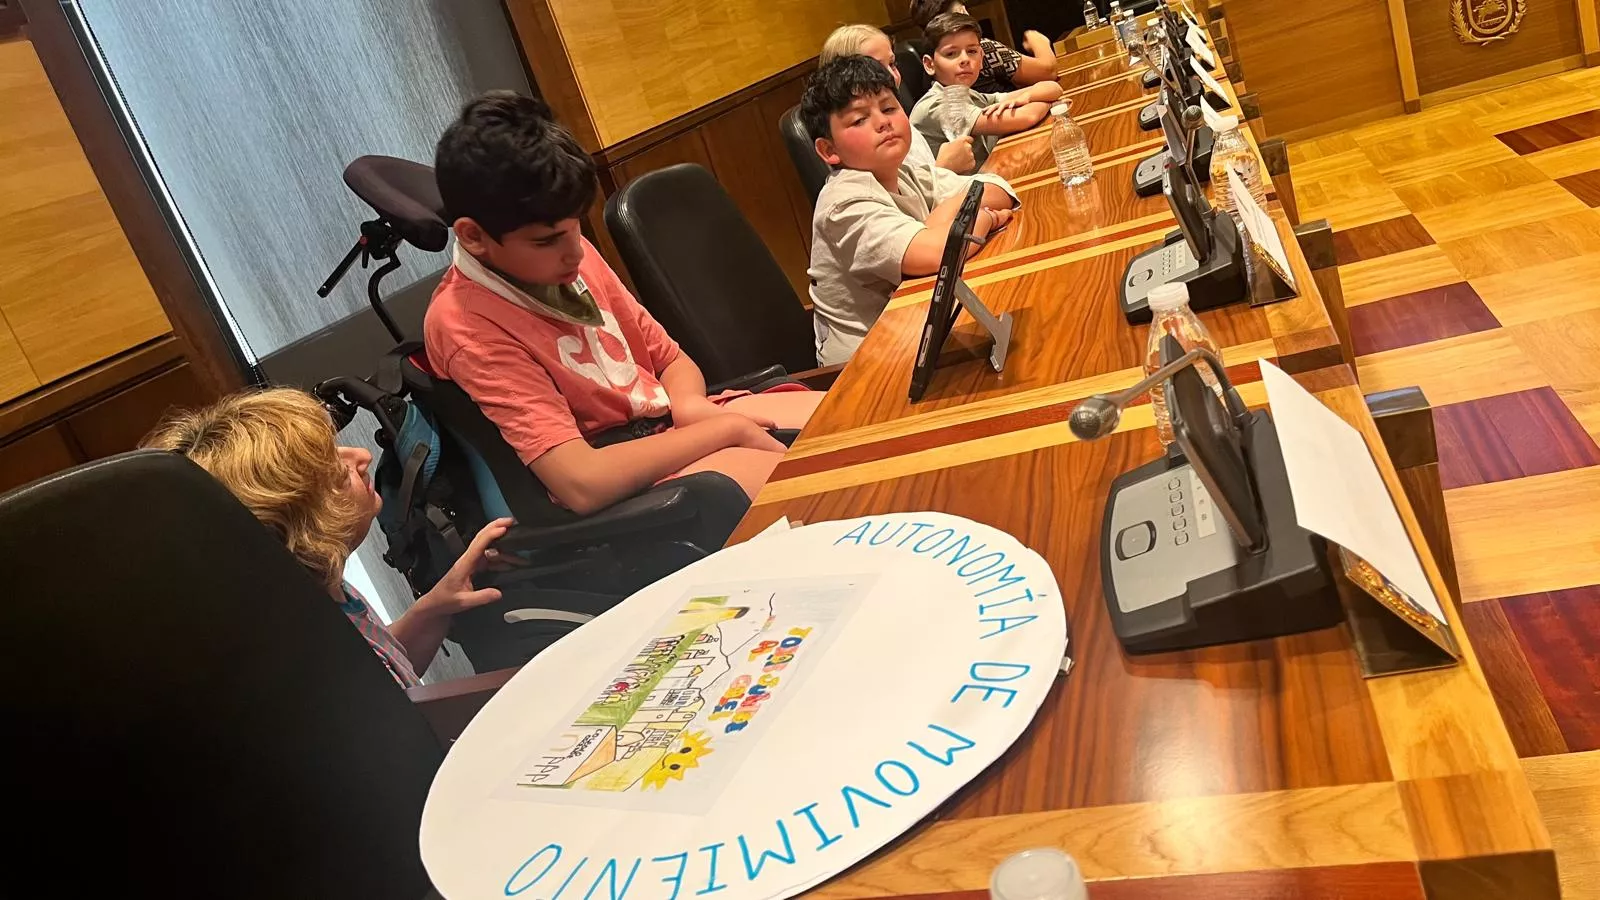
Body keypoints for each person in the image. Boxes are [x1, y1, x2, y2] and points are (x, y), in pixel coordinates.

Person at [426, 92, 822, 514]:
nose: (575, 253)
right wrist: (721, 432)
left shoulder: (571, 257)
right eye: (546, 241)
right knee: (813, 489)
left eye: (574, 228)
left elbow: (670, 360)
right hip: (623, 478)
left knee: (853, 426)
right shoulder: (466, 324)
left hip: (668, 428)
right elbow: (582, 482)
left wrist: (691, 407)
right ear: (472, 236)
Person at [142, 388, 511, 688]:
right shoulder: (309, 661)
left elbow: (386, 668)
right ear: (303, 528)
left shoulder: (327, 589)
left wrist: (437, 605)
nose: (363, 455)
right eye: (337, 472)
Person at [802, 56, 1019, 366]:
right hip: (866, 364)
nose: (882, 122)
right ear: (829, 151)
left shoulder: (905, 171)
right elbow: (941, 250)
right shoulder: (842, 204)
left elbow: (998, 189)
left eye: (889, 108)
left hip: (920, 326)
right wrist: (983, 217)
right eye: (859, 119)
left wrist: (942, 223)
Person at [910, 13, 1064, 169]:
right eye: (951, 53)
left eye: (972, 51)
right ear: (930, 64)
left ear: (982, 58)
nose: (964, 59)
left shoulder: (969, 94)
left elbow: (1053, 88)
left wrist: (1028, 96)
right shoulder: (937, 105)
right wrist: (1049, 103)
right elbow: (1026, 117)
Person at [819, 24, 976, 174]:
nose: (892, 76)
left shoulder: (899, 121)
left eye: (892, 64)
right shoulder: (864, 148)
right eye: (876, 69)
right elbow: (903, 197)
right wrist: (944, 168)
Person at [909, 0, 1058, 92]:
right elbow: (1048, 71)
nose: (964, 59)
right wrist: (1039, 42)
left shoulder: (933, 63)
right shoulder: (982, 48)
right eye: (961, 13)